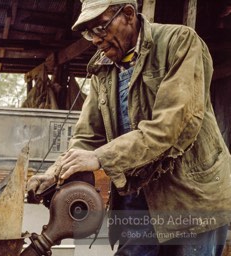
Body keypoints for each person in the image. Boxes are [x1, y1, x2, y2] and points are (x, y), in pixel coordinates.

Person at [26, 0, 231, 255]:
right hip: (137, 198)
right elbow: (87, 137)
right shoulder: (103, 68)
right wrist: (55, 172)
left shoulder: (179, 42)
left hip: (190, 197)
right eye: (89, 33)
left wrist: (99, 157)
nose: (95, 40)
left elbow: (169, 126)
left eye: (100, 28)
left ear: (128, 14)